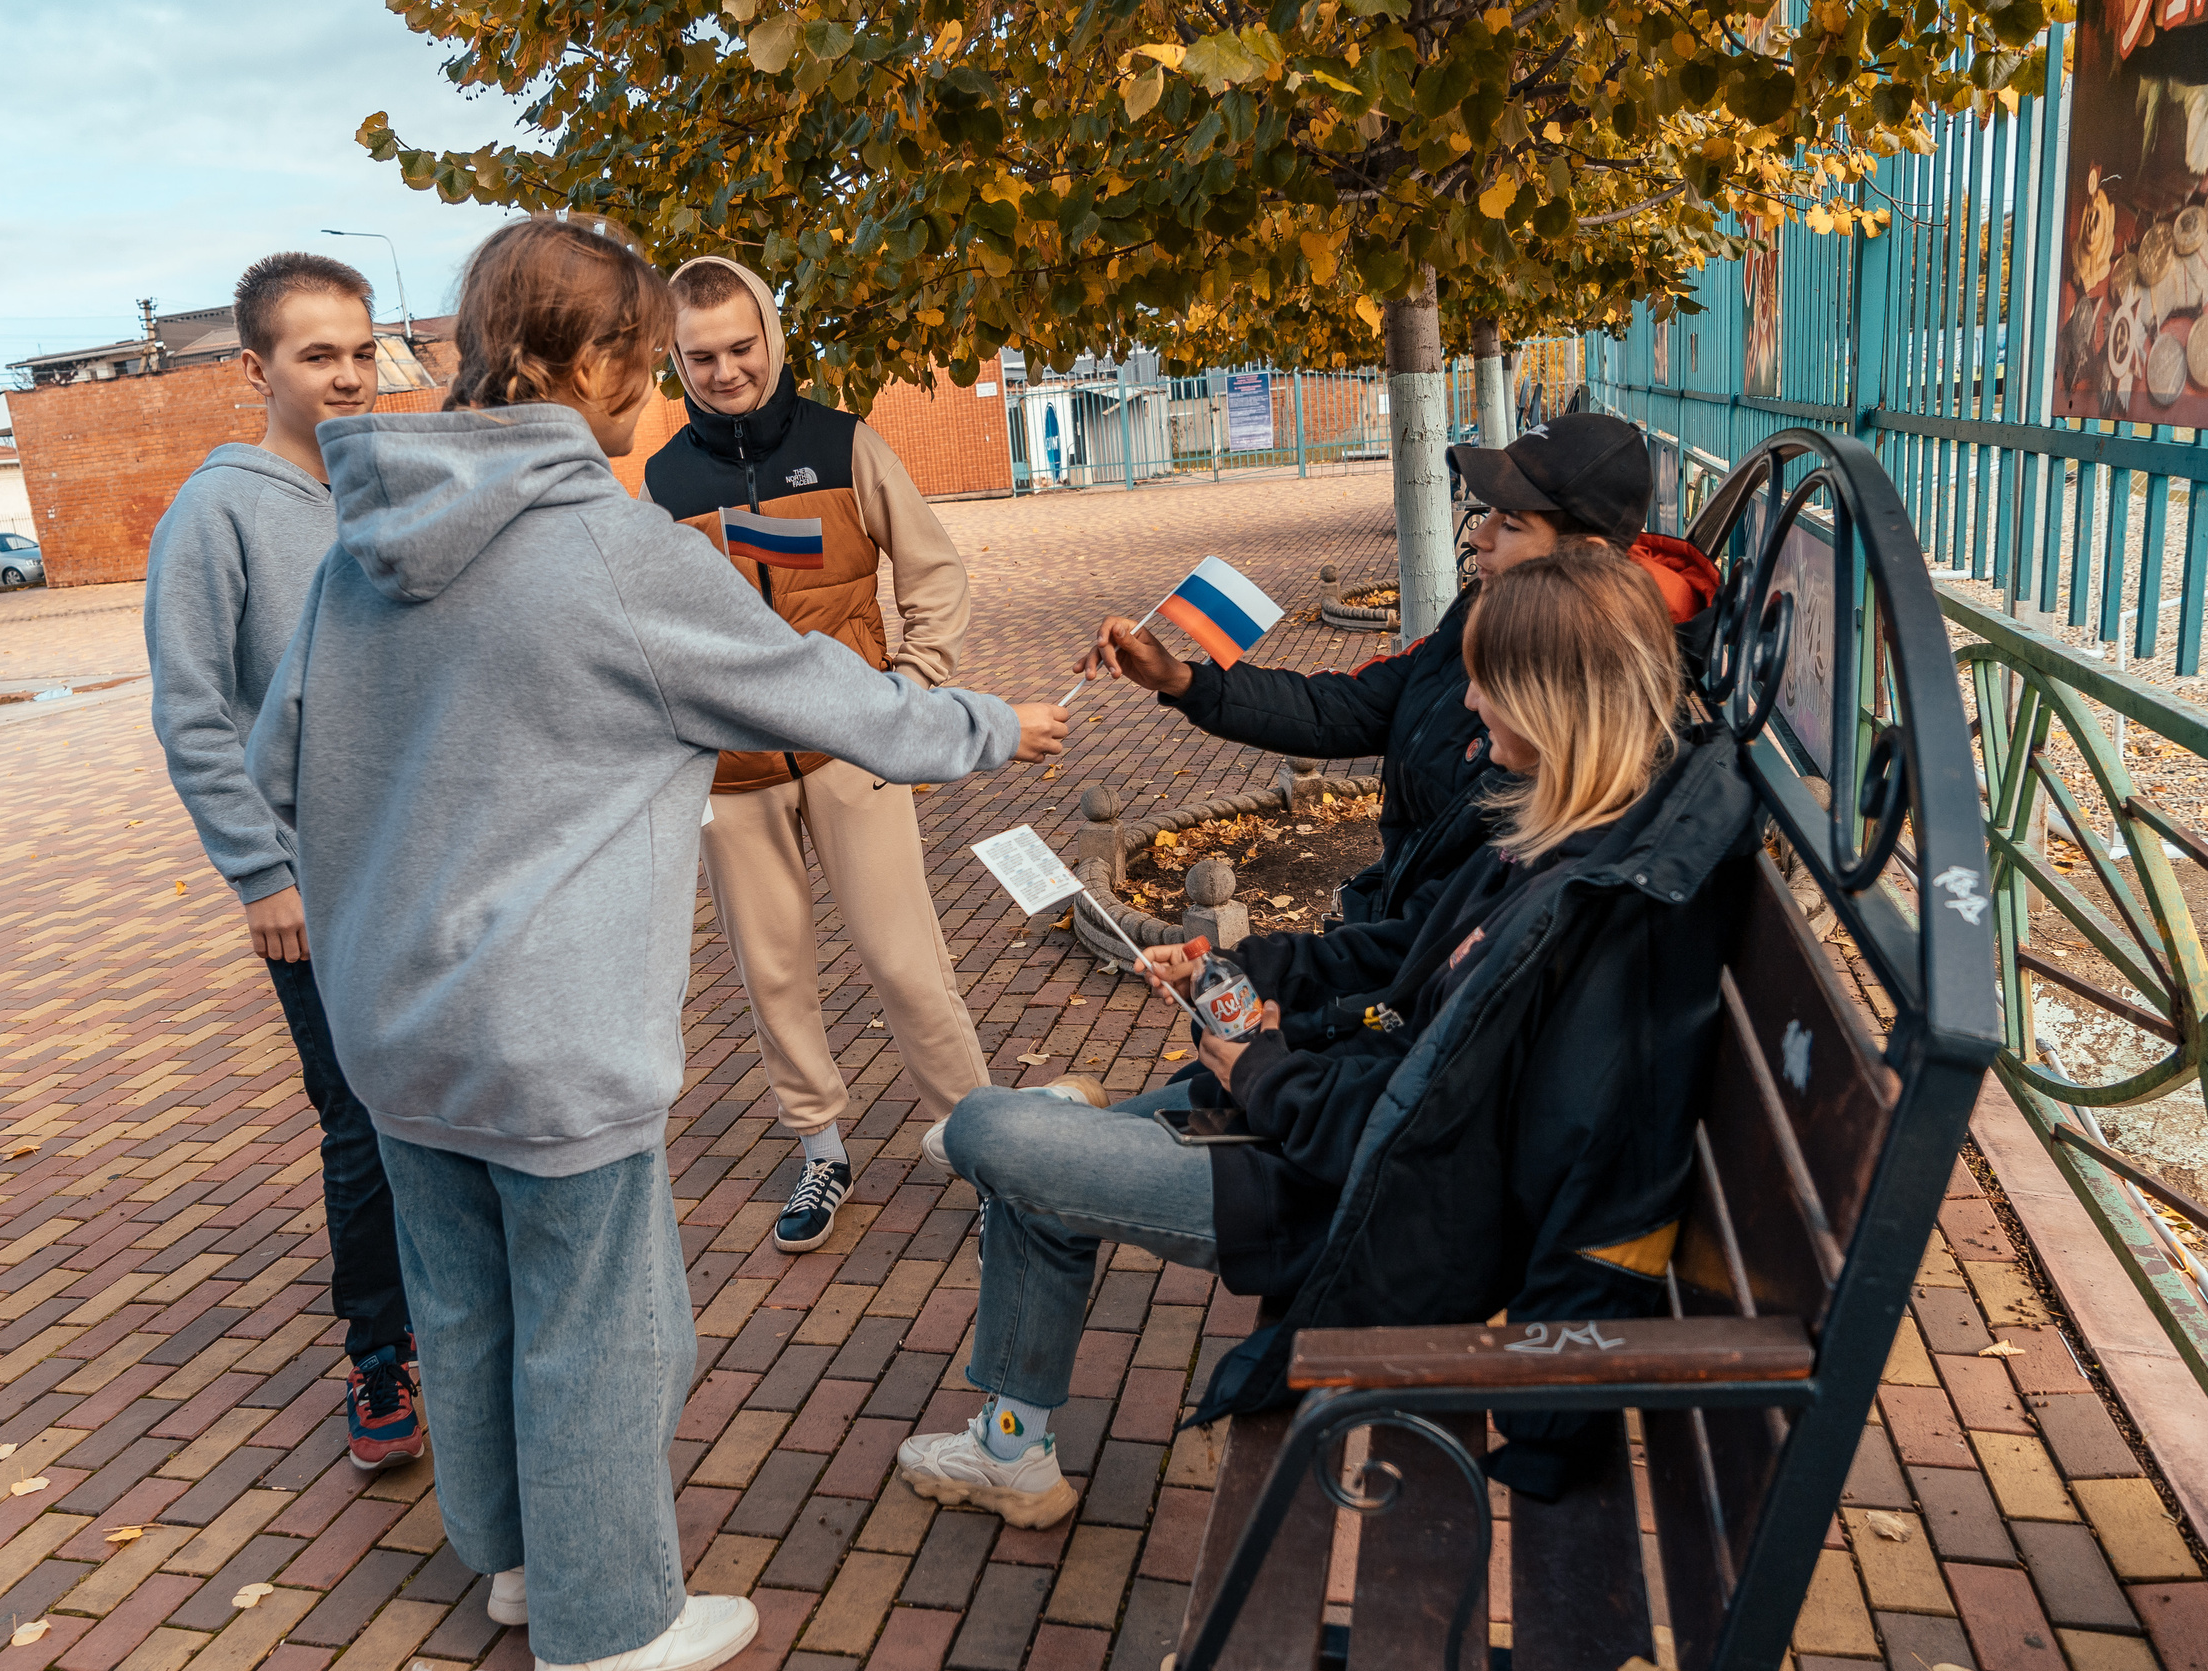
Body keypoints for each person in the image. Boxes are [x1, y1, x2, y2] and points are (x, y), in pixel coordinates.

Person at [244, 216, 1069, 1671]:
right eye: (641, 355)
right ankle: (605, 1617)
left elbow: (277, 755)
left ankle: (512, 1562)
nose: (655, 388)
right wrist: (993, 726)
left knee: (468, 1301)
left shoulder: (360, 542)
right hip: (543, 1028)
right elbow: (828, 695)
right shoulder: (609, 548)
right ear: (590, 358)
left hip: (389, 1017)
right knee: (603, 1324)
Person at [895, 544, 1760, 1526]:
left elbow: (1432, 1141)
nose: (1468, 710)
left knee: (985, 1134)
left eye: (1487, 686)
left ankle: (1017, 1389)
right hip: (1335, 1129)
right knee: (1030, 1163)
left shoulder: (1580, 909)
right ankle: (1011, 1451)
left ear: (1554, 697)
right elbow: (1405, 978)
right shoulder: (1569, 839)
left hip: (1358, 1208)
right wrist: (1245, 972)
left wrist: (1263, 1072)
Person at [642, 257, 990, 1254]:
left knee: (905, 959)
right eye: (701, 356)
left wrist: (909, 694)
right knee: (774, 972)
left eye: (741, 348)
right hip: (734, 775)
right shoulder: (665, 482)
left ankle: (980, 1139)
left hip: (851, 754)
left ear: (773, 340)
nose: (725, 371)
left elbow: (931, 568)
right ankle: (821, 1148)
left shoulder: (846, 446)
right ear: (675, 360)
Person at [142, 252, 422, 1472]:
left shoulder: (396, 486)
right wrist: (261, 876)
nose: (349, 375)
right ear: (255, 370)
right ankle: (378, 1361)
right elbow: (193, 713)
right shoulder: (217, 513)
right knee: (359, 1124)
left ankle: (454, 1318)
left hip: (430, 864)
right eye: (319, 355)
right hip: (317, 887)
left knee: (443, 1110)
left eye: (362, 351)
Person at [1074, 413, 1722, 928]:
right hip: (1391, 924)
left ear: (1582, 554)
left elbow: (1455, 942)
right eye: (1487, 512)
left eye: (1512, 523)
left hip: (1412, 962)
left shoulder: (1590, 700)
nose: (1479, 536)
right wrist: (1180, 677)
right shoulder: (1483, 611)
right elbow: (1350, 708)